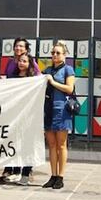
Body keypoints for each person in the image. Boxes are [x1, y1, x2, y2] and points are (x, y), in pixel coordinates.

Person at [0, 51, 37, 185]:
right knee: (15, 143)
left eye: (25, 61)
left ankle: (26, 173)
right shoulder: (13, 77)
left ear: (30, 63)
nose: (21, 63)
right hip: (15, 116)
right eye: (20, 61)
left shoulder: (34, 79)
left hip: (29, 116)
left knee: (27, 145)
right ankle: (15, 171)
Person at [42, 41, 75, 190]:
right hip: (48, 110)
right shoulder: (47, 69)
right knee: (51, 145)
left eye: (58, 53)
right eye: (53, 52)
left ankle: (60, 176)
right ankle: (53, 175)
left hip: (62, 110)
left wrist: (52, 81)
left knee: (61, 145)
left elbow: (69, 89)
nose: (55, 55)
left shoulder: (68, 69)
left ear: (64, 55)